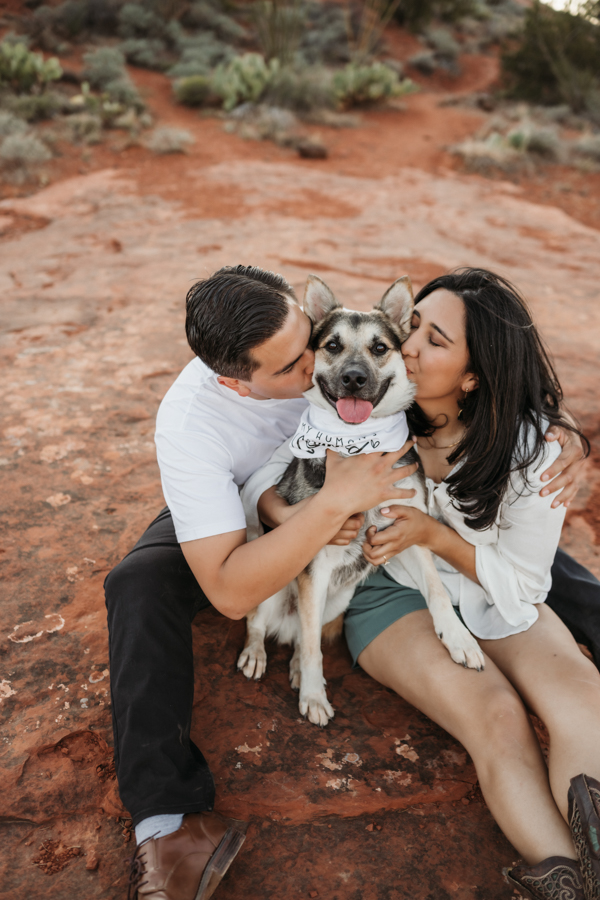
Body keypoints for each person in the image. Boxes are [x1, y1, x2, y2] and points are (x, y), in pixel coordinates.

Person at [104, 265, 592, 900]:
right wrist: (302, 512)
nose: (322, 371)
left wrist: (558, 429)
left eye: (309, 341)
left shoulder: (378, 372)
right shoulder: (198, 423)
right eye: (292, 368)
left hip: (431, 538)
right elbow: (238, 560)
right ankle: (168, 825)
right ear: (237, 382)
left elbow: (472, 365)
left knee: (555, 630)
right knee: (138, 585)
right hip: (308, 534)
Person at [251, 268, 600, 900]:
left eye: (433, 340)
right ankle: (568, 884)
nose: (405, 345)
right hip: (383, 586)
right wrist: (297, 516)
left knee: (583, 700)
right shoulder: (366, 402)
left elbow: (521, 585)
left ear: (474, 374)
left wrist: (436, 535)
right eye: (412, 326)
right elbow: (280, 462)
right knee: (495, 717)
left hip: (494, 588)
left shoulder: (531, 450)